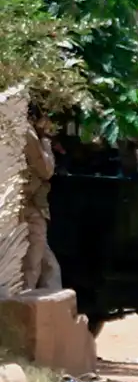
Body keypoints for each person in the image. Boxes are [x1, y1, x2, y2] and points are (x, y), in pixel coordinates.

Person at [21, 104, 61, 291]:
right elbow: (46, 170)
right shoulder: (28, 134)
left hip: (29, 207)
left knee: (49, 267)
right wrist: (45, 139)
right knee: (32, 267)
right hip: (29, 209)